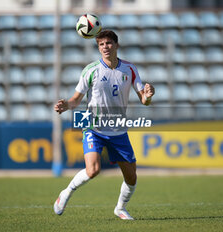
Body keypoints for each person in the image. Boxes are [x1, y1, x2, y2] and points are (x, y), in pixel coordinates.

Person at [53, 30, 155, 220]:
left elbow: (144, 99)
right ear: (98, 48)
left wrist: (148, 95)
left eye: (108, 43)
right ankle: (66, 192)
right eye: (101, 44)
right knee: (93, 170)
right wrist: (66, 105)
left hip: (118, 129)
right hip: (93, 126)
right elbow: (76, 100)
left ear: (116, 45)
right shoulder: (91, 70)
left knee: (131, 178)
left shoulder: (130, 69)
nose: (105, 47)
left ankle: (120, 208)